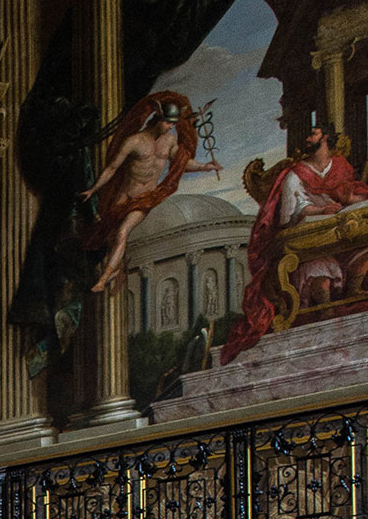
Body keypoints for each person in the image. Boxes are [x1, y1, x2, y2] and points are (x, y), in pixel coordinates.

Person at [222, 124, 368, 364]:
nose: (309, 137)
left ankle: (353, 290)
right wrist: (323, 208)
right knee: (320, 278)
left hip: (342, 229)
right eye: (309, 133)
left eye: (314, 133)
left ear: (326, 138)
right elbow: (291, 213)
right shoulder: (296, 174)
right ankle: (327, 329)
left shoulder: (340, 166)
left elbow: (349, 191)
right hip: (311, 238)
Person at [80, 94, 220, 293]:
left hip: (146, 198)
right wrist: (94, 189)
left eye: (173, 123)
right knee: (110, 236)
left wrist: (206, 166)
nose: (171, 127)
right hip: (124, 194)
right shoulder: (134, 141)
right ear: (158, 119)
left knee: (122, 232)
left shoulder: (170, 142)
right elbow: (112, 168)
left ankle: (103, 279)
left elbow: (181, 163)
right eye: (168, 123)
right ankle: (114, 270)